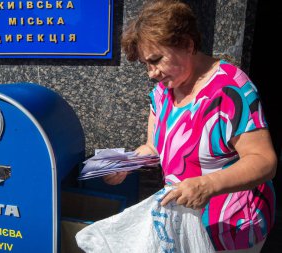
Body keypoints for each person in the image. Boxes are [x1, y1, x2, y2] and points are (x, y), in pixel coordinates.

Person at [103, 0, 277, 252]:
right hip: (184, 222)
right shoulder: (163, 91)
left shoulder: (231, 89)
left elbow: (263, 160)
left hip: (232, 226)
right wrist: (125, 164)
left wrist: (207, 185)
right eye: (146, 64)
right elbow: (154, 146)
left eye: (156, 60)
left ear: (187, 44)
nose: (152, 73)